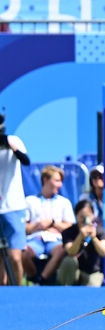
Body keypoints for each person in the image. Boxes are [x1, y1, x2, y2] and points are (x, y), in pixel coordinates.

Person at [22, 165, 75, 284]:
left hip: (55, 240)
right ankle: (34, 279)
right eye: (57, 180)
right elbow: (24, 228)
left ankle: (42, 280)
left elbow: (70, 227)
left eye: (61, 181)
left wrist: (53, 224)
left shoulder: (64, 202)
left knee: (62, 251)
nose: (60, 185)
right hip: (35, 239)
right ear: (45, 180)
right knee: (23, 254)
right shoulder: (29, 201)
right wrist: (37, 226)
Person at [0, 116, 29, 286]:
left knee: (14, 256)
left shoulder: (13, 140)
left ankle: (19, 290)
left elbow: (26, 161)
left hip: (14, 207)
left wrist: (12, 146)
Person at [57, 199, 105, 286]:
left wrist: (94, 238)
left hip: (92, 272)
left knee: (92, 292)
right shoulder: (68, 232)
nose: (84, 220)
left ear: (93, 215)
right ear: (76, 216)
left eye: (87, 216)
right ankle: (66, 291)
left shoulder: (100, 231)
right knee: (69, 260)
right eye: (81, 217)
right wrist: (80, 236)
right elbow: (70, 251)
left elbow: (104, 252)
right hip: (74, 272)